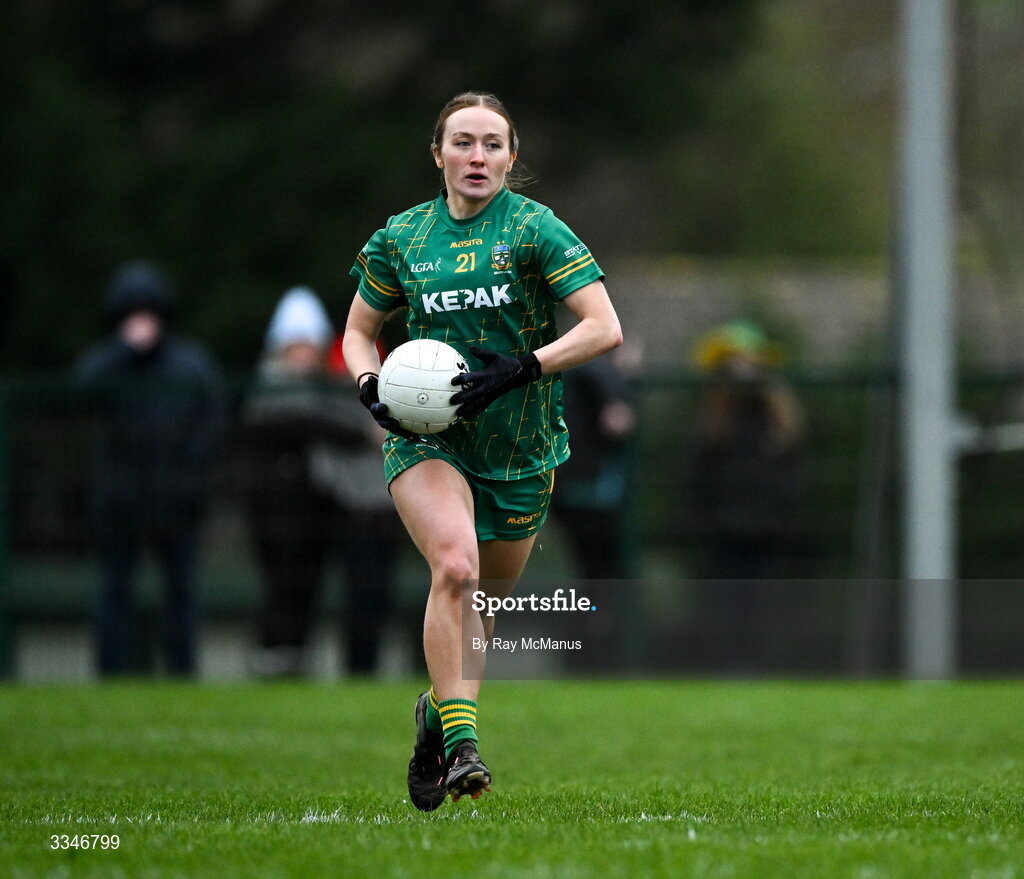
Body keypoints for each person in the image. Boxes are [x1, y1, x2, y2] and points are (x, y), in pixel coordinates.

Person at [342, 91, 622, 809]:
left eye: (492, 144)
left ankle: (436, 717)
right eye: (463, 142)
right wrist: (371, 382)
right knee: (456, 566)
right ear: (437, 153)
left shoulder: (534, 228)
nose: (477, 156)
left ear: (511, 157)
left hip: (523, 449)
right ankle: (464, 746)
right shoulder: (402, 237)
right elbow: (357, 330)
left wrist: (521, 366)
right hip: (428, 441)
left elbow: (603, 328)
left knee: (482, 600)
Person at [74, 260, 225, 676]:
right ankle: (111, 674)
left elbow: (215, 418)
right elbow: (77, 391)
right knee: (113, 592)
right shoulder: (106, 364)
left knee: (181, 593)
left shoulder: (190, 364)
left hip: (176, 500)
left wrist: (189, 467)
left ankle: (182, 674)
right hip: (119, 503)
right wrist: (121, 353)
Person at [242, 287, 399, 678]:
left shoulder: (328, 387)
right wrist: (361, 432)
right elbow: (296, 419)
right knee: (284, 592)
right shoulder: (275, 389)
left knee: (310, 592)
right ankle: (276, 664)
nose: (303, 354)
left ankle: (295, 665)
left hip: (317, 516)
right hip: (278, 517)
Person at [687, 320, 806, 672]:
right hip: (723, 527)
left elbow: (793, 470)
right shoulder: (713, 417)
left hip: (766, 526)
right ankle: (727, 663)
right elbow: (697, 474)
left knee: (758, 598)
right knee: (724, 598)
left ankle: (752, 663)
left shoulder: (781, 417)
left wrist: (779, 510)